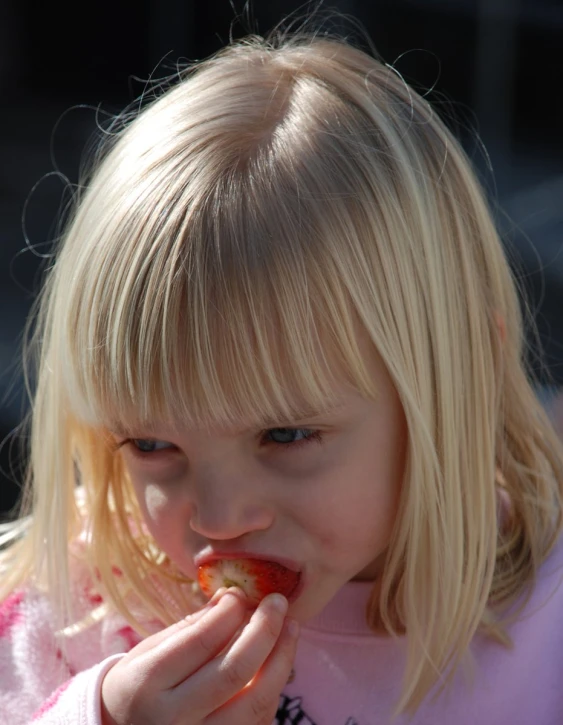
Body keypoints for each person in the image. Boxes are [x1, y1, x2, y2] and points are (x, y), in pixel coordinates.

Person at [1, 25, 563, 725]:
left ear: (465, 374)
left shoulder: (547, 626)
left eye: (285, 433)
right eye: (150, 445)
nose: (219, 515)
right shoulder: (83, 608)